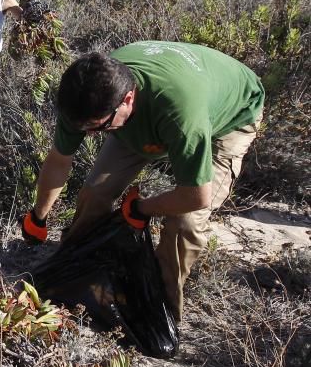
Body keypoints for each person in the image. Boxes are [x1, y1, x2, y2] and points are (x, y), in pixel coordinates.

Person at [19, 41, 265, 320]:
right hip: (153, 105)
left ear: (127, 100)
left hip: (230, 117)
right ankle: (74, 267)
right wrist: (38, 216)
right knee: (95, 192)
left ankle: (160, 307)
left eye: (97, 128)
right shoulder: (85, 98)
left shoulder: (181, 116)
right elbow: (60, 160)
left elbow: (196, 196)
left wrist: (140, 209)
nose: (89, 135)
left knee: (186, 222)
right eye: (83, 128)